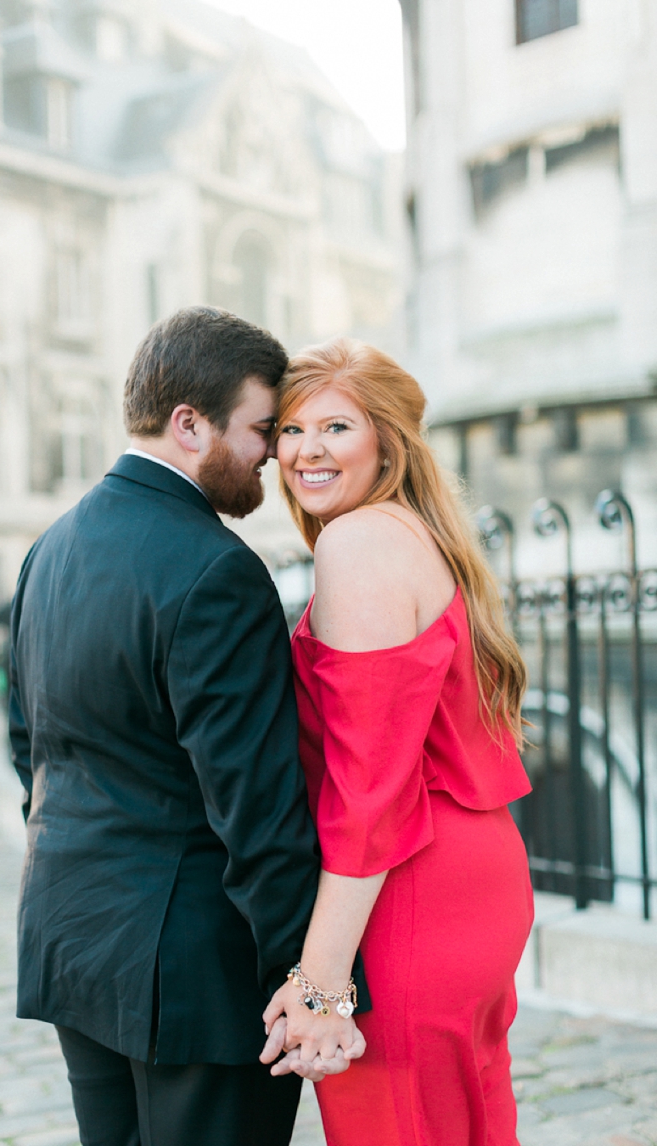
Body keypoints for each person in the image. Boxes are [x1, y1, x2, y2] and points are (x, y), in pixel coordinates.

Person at [8, 307, 364, 1146]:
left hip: (71, 938)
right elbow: (257, 809)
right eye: (262, 431)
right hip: (192, 973)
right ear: (189, 424)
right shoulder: (217, 570)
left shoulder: (48, 550)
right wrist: (311, 983)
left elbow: (30, 751)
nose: (274, 457)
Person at [262, 337, 534, 1145]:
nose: (307, 450)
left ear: (388, 440)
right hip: (467, 875)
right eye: (290, 428)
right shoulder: (413, 531)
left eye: (337, 427)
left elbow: (369, 792)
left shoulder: (359, 543)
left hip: (412, 894)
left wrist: (318, 987)